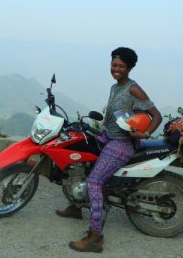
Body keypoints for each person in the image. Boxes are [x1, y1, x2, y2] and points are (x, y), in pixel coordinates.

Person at [57, 47, 162, 253]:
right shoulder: (115, 87)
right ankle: (77, 206)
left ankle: (96, 237)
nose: (116, 69)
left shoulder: (134, 89)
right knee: (81, 158)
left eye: (121, 66)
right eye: (114, 65)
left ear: (130, 68)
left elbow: (156, 115)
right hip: (107, 136)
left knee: (95, 181)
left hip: (121, 144)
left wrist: (145, 133)